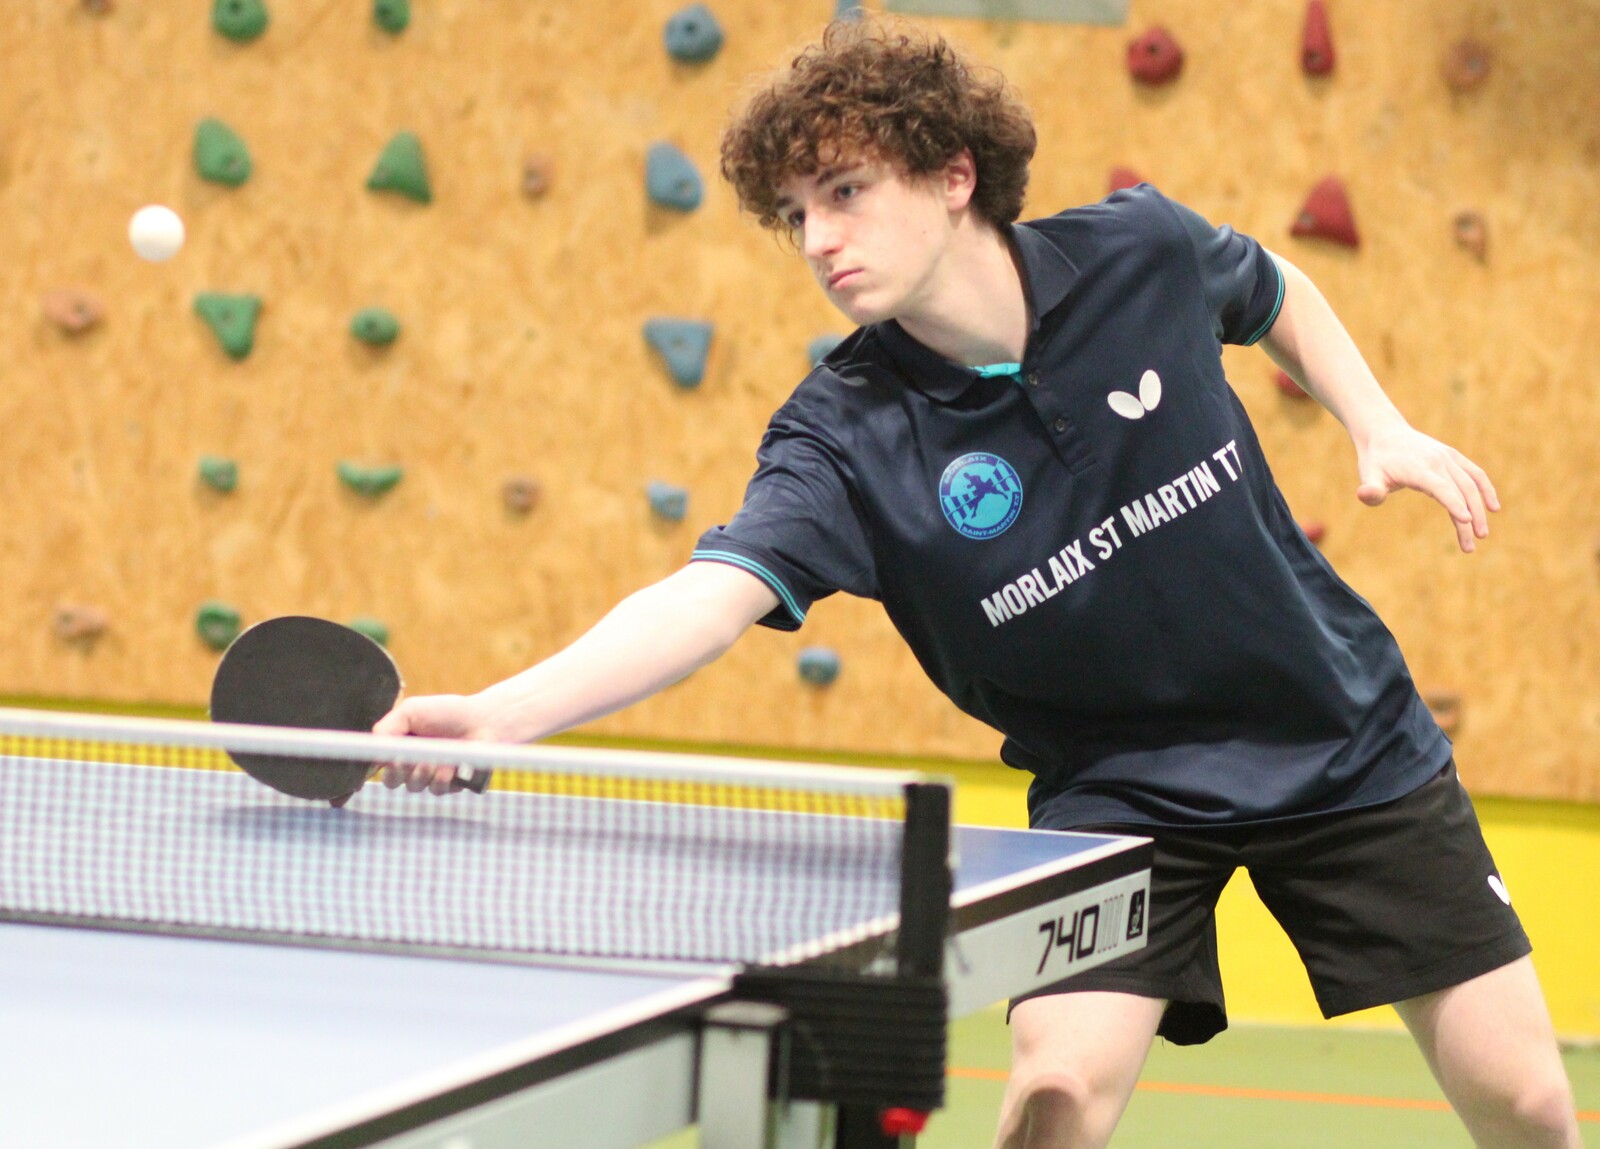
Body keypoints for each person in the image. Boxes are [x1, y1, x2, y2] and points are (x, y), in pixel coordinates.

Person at [375, 17, 1580, 1149]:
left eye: (846, 193)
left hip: (1338, 733)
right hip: (1120, 789)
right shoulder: (842, 436)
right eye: (794, 214)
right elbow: (708, 594)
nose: (818, 241)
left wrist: (1378, 424)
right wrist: (507, 713)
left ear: (953, 174)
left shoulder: (1139, 253)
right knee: (1056, 1093)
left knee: (1526, 1100)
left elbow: (1270, 289)